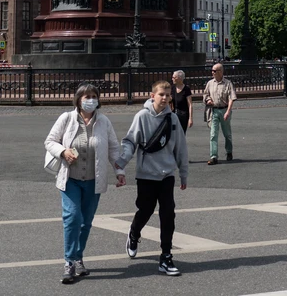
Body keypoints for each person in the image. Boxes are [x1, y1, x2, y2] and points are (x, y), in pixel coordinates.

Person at [44, 84, 124, 284]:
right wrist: (63, 151)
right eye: (87, 96)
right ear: (78, 99)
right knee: (72, 217)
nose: (91, 100)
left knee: (86, 222)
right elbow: (50, 141)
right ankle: (69, 261)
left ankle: (78, 257)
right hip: (70, 179)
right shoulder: (67, 118)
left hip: (93, 180)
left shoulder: (104, 122)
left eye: (94, 96)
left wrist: (119, 171)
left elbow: (113, 148)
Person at [116, 81, 189, 277]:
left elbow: (180, 147)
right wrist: (121, 163)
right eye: (161, 94)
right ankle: (134, 233)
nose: (164, 98)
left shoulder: (173, 119)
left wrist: (183, 173)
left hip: (166, 174)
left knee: (168, 214)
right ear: (152, 96)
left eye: (168, 95)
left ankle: (166, 256)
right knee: (145, 210)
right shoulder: (142, 116)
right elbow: (130, 141)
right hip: (146, 174)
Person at [203, 63, 237, 165]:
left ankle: (229, 151)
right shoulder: (210, 83)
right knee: (213, 134)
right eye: (212, 70)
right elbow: (205, 94)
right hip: (214, 111)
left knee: (227, 133)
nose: (212, 72)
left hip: (224, 110)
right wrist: (208, 100)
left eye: (214, 71)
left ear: (221, 72)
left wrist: (228, 111)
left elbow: (231, 98)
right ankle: (213, 156)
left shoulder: (228, 83)